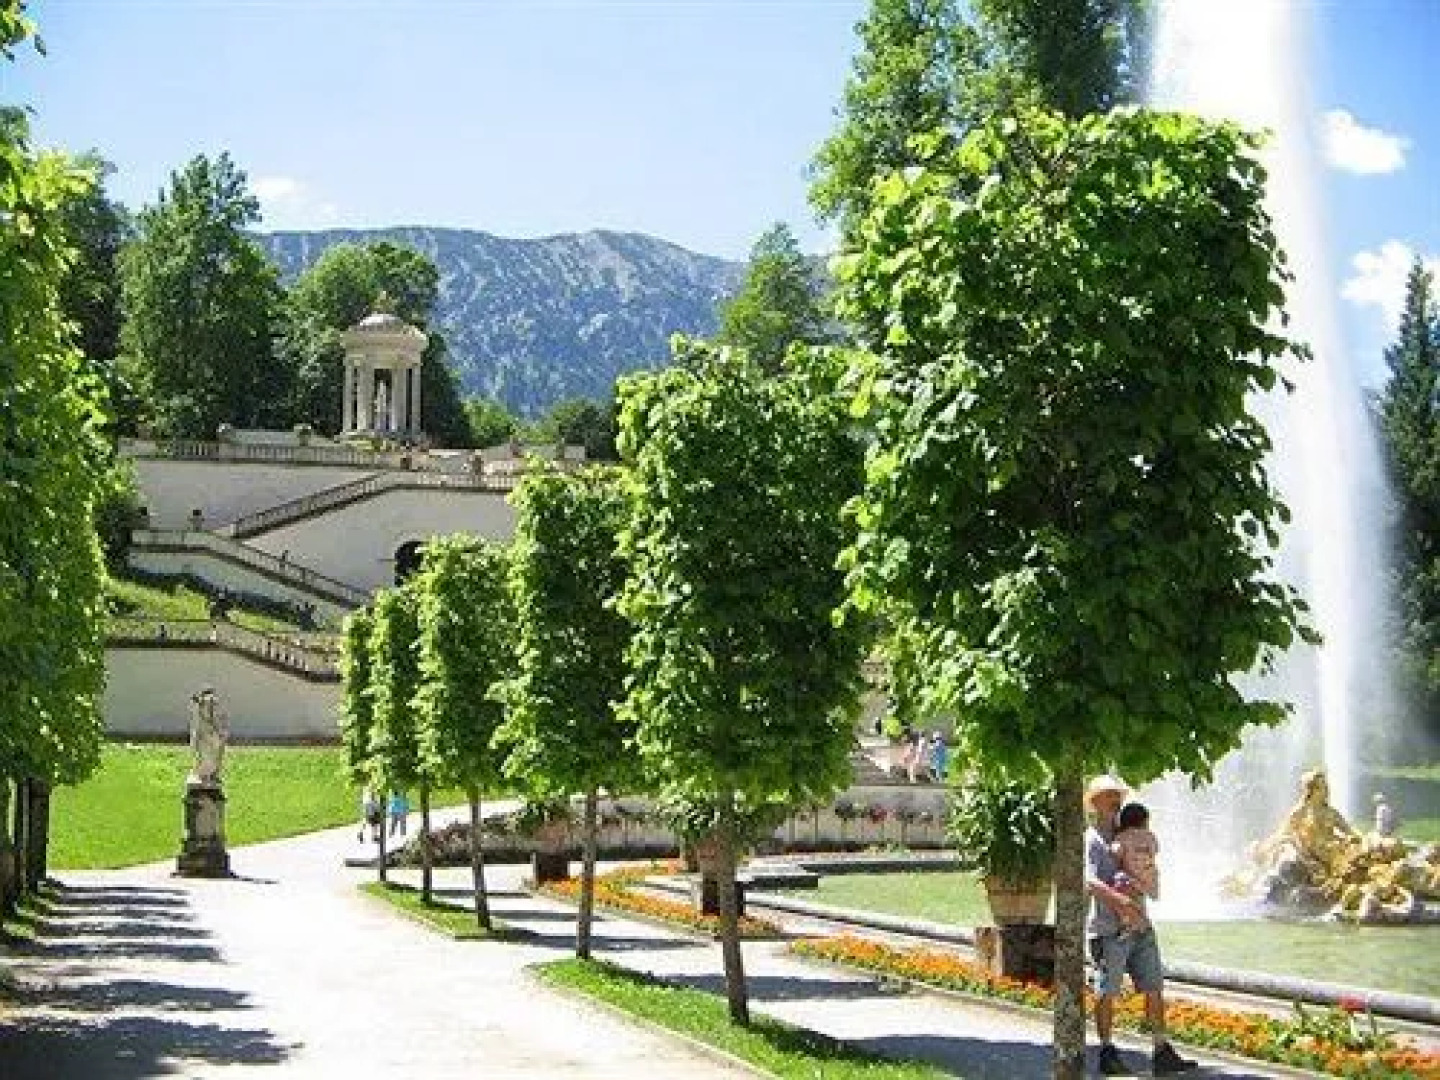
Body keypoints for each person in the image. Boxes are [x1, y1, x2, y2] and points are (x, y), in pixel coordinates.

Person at [1085, 774, 1196, 1076]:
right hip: (1109, 931)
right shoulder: (1093, 840)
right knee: (1107, 990)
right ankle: (1107, 1051)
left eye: (1118, 795)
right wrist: (1119, 901)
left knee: (1155, 985)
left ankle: (1161, 1049)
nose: (1116, 800)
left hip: (1140, 926)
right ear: (1093, 802)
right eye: (1109, 795)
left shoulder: (1127, 833)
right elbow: (1090, 881)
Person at [1110, 801, 1160, 938]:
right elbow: (1155, 850)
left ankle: (1127, 924)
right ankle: (1142, 922)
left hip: (1130, 877)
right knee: (1140, 898)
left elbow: (1115, 852)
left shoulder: (1122, 836)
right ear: (1144, 821)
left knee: (1125, 894)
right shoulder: (1150, 836)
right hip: (1149, 876)